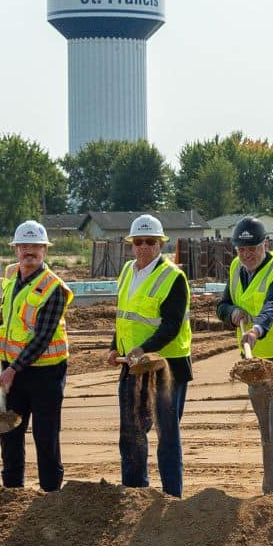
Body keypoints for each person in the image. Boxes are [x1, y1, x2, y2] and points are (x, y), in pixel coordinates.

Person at [218, 215, 273, 493]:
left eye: (252, 249)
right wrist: (232, 312)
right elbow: (222, 305)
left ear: (265, 245)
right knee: (267, 433)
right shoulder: (237, 268)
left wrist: (256, 330)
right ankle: (270, 490)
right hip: (255, 367)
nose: (246, 255)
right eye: (241, 250)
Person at [109, 213, 192, 497]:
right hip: (132, 367)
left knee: (167, 436)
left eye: (151, 242)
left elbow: (171, 325)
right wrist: (114, 347)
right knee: (131, 434)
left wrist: (143, 349)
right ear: (131, 244)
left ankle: (172, 498)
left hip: (167, 368)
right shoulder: (127, 272)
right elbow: (124, 317)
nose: (144, 246)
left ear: (161, 244)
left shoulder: (173, 278)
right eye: (139, 241)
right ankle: (135, 493)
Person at [0, 219, 75, 491]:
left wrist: (12, 369)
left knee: (45, 435)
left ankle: (51, 495)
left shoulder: (54, 288)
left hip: (45, 373)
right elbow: (8, 316)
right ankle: (12, 492)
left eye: (35, 247)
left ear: (45, 251)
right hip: (11, 369)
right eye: (24, 246)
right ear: (16, 248)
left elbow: (42, 337)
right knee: (10, 433)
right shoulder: (9, 277)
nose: (29, 251)